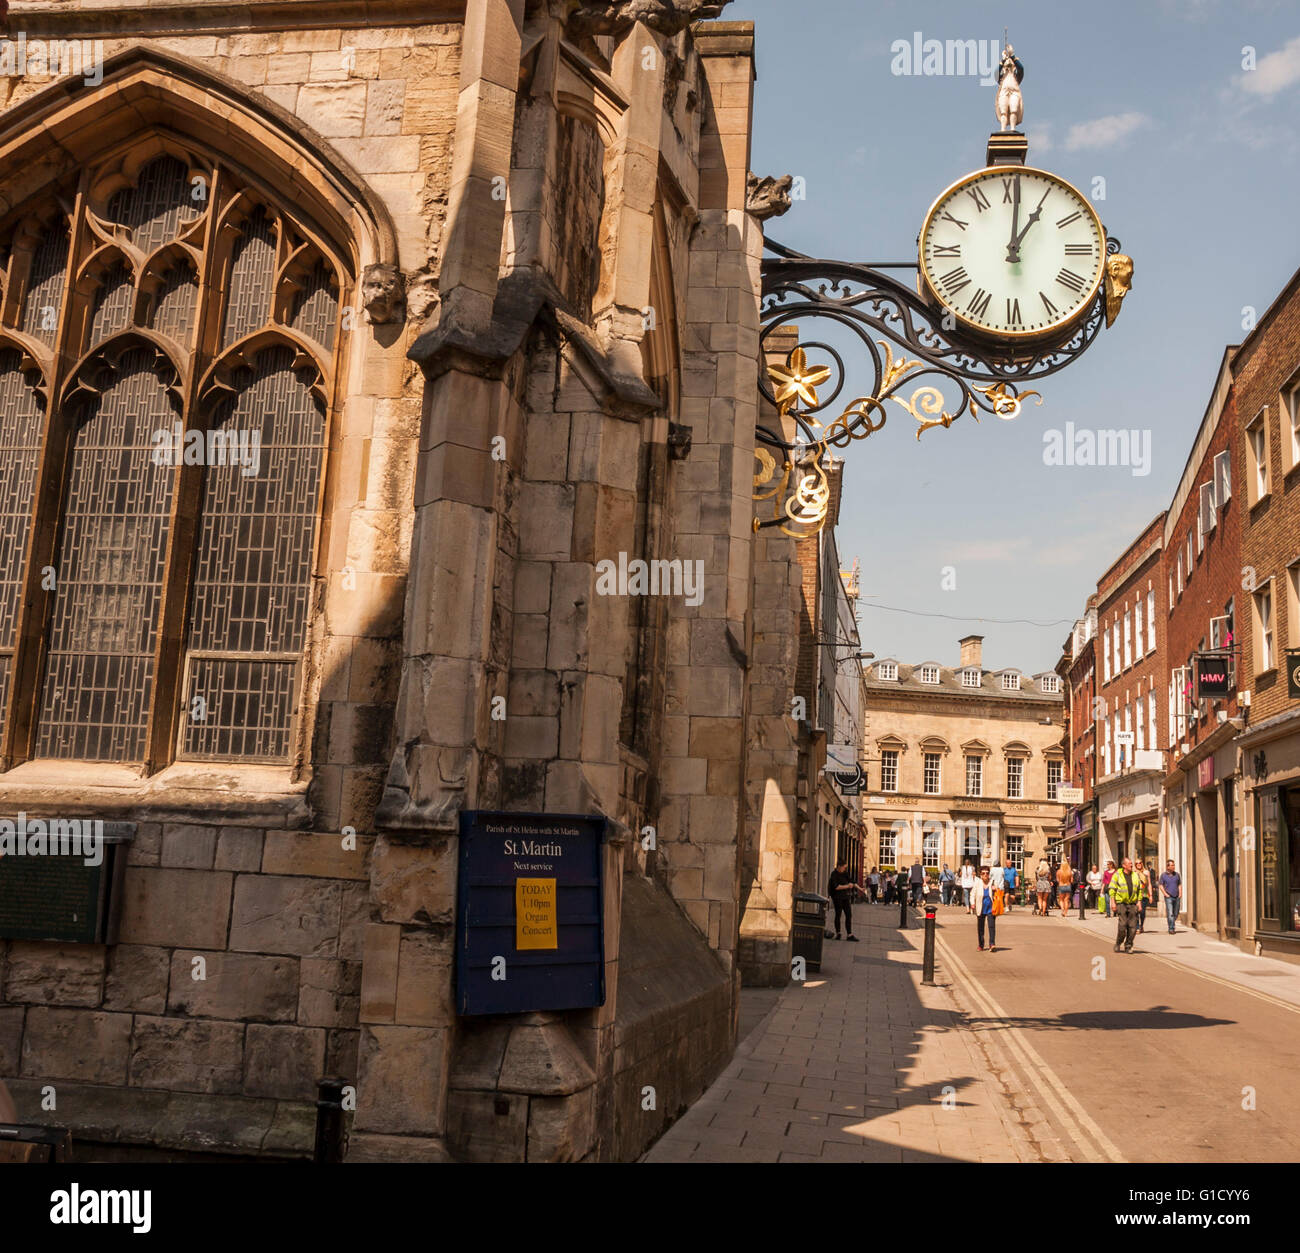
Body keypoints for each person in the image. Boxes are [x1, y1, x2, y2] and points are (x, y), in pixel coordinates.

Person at [1110, 856, 1143, 953]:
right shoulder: (1117, 875)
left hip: (1133, 903)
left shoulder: (1135, 875)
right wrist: (1113, 902)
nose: (1132, 865)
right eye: (1129, 864)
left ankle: (1128, 945)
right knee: (1122, 926)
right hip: (1121, 903)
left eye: (1131, 863)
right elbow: (1112, 889)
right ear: (1124, 865)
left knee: (1133, 928)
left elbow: (1139, 890)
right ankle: (1118, 943)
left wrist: (1139, 902)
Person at [826, 859, 859, 941]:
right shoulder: (834, 874)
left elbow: (851, 881)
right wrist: (847, 886)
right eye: (844, 867)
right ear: (839, 867)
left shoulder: (844, 873)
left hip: (845, 897)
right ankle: (838, 933)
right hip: (837, 898)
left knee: (848, 915)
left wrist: (860, 888)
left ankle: (849, 934)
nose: (845, 869)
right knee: (838, 914)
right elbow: (836, 887)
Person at [972, 865, 999, 952]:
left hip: (991, 908)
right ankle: (981, 945)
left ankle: (992, 944)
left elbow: (999, 894)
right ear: (980, 874)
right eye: (983, 873)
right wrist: (972, 903)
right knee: (980, 928)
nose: (985, 875)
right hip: (981, 908)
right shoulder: (977, 883)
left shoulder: (993, 883)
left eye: (987, 873)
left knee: (991, 926)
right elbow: (972, 894)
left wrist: (996, 889)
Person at [1159, 859, 1182, 933]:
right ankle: (1171, 928)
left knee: (1176, 913)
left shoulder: (1177, 875)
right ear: (1167, 867)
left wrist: (1180, 893)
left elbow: (1179, 884)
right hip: (1168, 897)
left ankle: (1171, 922)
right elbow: (1160, 885)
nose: (1173, 866)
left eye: (1174, 865)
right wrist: (1165, 894)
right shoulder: (1163, 875)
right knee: (1170, 913)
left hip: (1177, 896)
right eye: (1172, 865)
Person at [1135, 858, 1152, 933]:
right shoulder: (1133, 872)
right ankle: (1137, 927)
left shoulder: (1146, 872)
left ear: (1142, 863)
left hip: (1144, 894)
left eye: (1140, 863)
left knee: (1142, 912)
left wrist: (1151, 895)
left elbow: (1149, 884)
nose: (1138, 864)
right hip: (1135, 895)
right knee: (1136, 911)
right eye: (1136, 863)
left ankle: (1141, 925)